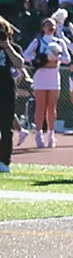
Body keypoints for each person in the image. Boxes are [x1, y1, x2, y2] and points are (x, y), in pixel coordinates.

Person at [23, 18, 71, 148]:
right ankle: (38, 134)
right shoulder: (38, 41)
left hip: (54, 75)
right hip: (41, 76)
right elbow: (25, 55)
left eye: (53, 25)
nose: (50, 27)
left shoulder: (59, 42)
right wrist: (39, 59)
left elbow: (68, 59)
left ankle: (51, 135)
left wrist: (56, 58)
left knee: (52, 107)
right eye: (47, 24)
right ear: (43, 27)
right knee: (40, 106)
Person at [0, 15, 24, 173]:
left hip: (6, 89)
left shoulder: (14, 47)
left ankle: (4, 161)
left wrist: (7, 46)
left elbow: (20, 63)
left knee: (6, 126)